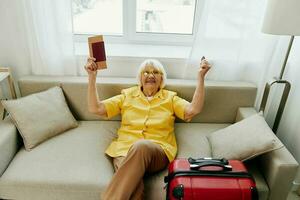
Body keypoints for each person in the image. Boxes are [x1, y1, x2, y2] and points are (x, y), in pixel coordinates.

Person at [85, 58, 211, 200]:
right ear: (140, 78)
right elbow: (96, 108)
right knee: (134, 188)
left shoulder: (170, 98)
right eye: (146, 72)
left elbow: (193, 109)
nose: (150, 75)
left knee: (141, 146)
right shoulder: (127, 95)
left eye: (155, 72)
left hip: (157, 152)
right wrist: (91, 77)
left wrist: (201, 77)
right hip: (124, 152)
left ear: (161, 78)